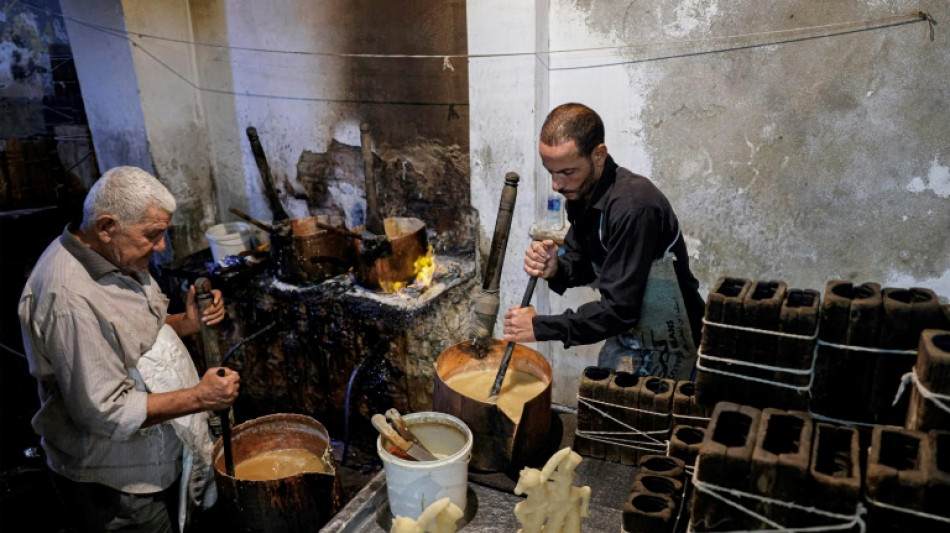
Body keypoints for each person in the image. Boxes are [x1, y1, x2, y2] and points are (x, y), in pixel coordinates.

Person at [18, 166, 241, 533]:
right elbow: (108, 411)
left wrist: (184, 323)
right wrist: (200, 398)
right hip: (119, 481)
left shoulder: (112, 254)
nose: (162, 247)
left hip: (157, 456)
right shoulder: (69, 300)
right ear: (107, 227)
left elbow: (122, 334)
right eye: (152, 235)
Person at [503, 103, 705, 377]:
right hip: (629, 333)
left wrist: (540, 327)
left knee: (658, 414)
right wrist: (557, 268)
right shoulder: (581, 194)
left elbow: (620, 310)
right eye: (551, 171)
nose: (556, 185)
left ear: (598, 155)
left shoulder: (633, 208)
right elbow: (586, 261)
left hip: (673, 340)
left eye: (567, 172)